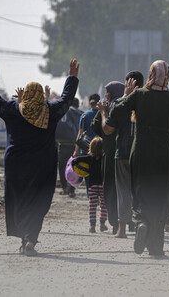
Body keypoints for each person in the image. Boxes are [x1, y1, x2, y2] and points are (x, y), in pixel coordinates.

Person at [0, 58, 79, 256]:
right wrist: (72, 77)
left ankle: (24, 235)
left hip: (16, 164)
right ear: (40, 96)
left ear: (24, 95)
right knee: (38, 200)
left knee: (19, 199)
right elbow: (67, 99)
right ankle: (30, 238)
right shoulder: (50, 112)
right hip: (42, 165)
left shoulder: (13, 110)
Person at [107, 60, 169, 256]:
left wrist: (127, 95)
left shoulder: (139, 95)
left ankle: (141, 222)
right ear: (168, 76)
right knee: (161, 196)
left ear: (150, 74)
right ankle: (156, 247)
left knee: (139, 192)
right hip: (164, 154)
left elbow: (114, 112)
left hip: (140, 151)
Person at [98, 71, 144, 238]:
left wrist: (103, 112)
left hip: (122, 153)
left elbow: (107, 129)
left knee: (123, 191)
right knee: (140, 190)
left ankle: (122, 229)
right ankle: (142, 224)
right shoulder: (147, 101)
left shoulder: (119, 103)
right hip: (141, 152)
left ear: (127, 85)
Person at [93, 82, 125, 235]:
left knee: (111, 189)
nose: (106, 95)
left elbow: (99, 128)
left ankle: (115, 222)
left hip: (111, 154)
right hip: (123, 153)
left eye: (108, 92)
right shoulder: (126, 105)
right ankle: (125, 222)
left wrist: (102, 112)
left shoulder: (113, 107)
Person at [73, 93, 108, 232]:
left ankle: (92, 223)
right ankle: (102, 222)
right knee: (103, 200)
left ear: (89, 102)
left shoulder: (85, 115)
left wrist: (76, 151)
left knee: (91, 194)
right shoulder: (103, 114)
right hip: (103, 150)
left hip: (87, 152)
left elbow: (80, 134)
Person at [72, 136, 104, 233]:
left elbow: (75, 160)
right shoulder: (104, 159)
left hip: (92, 186)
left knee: (92, 206)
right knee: (103, 205)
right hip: (102, 186)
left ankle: (92, 226)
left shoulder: (88, 158)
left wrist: (76, 166)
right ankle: (102, 224)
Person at [56, 97, 82, 198]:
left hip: (63, 144)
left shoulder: (64, 112)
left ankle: (64, 188)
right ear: (78, 105)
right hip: (75, 146)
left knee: (62, 166)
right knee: (75, 168)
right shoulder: (80, 113)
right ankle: (72, 190)